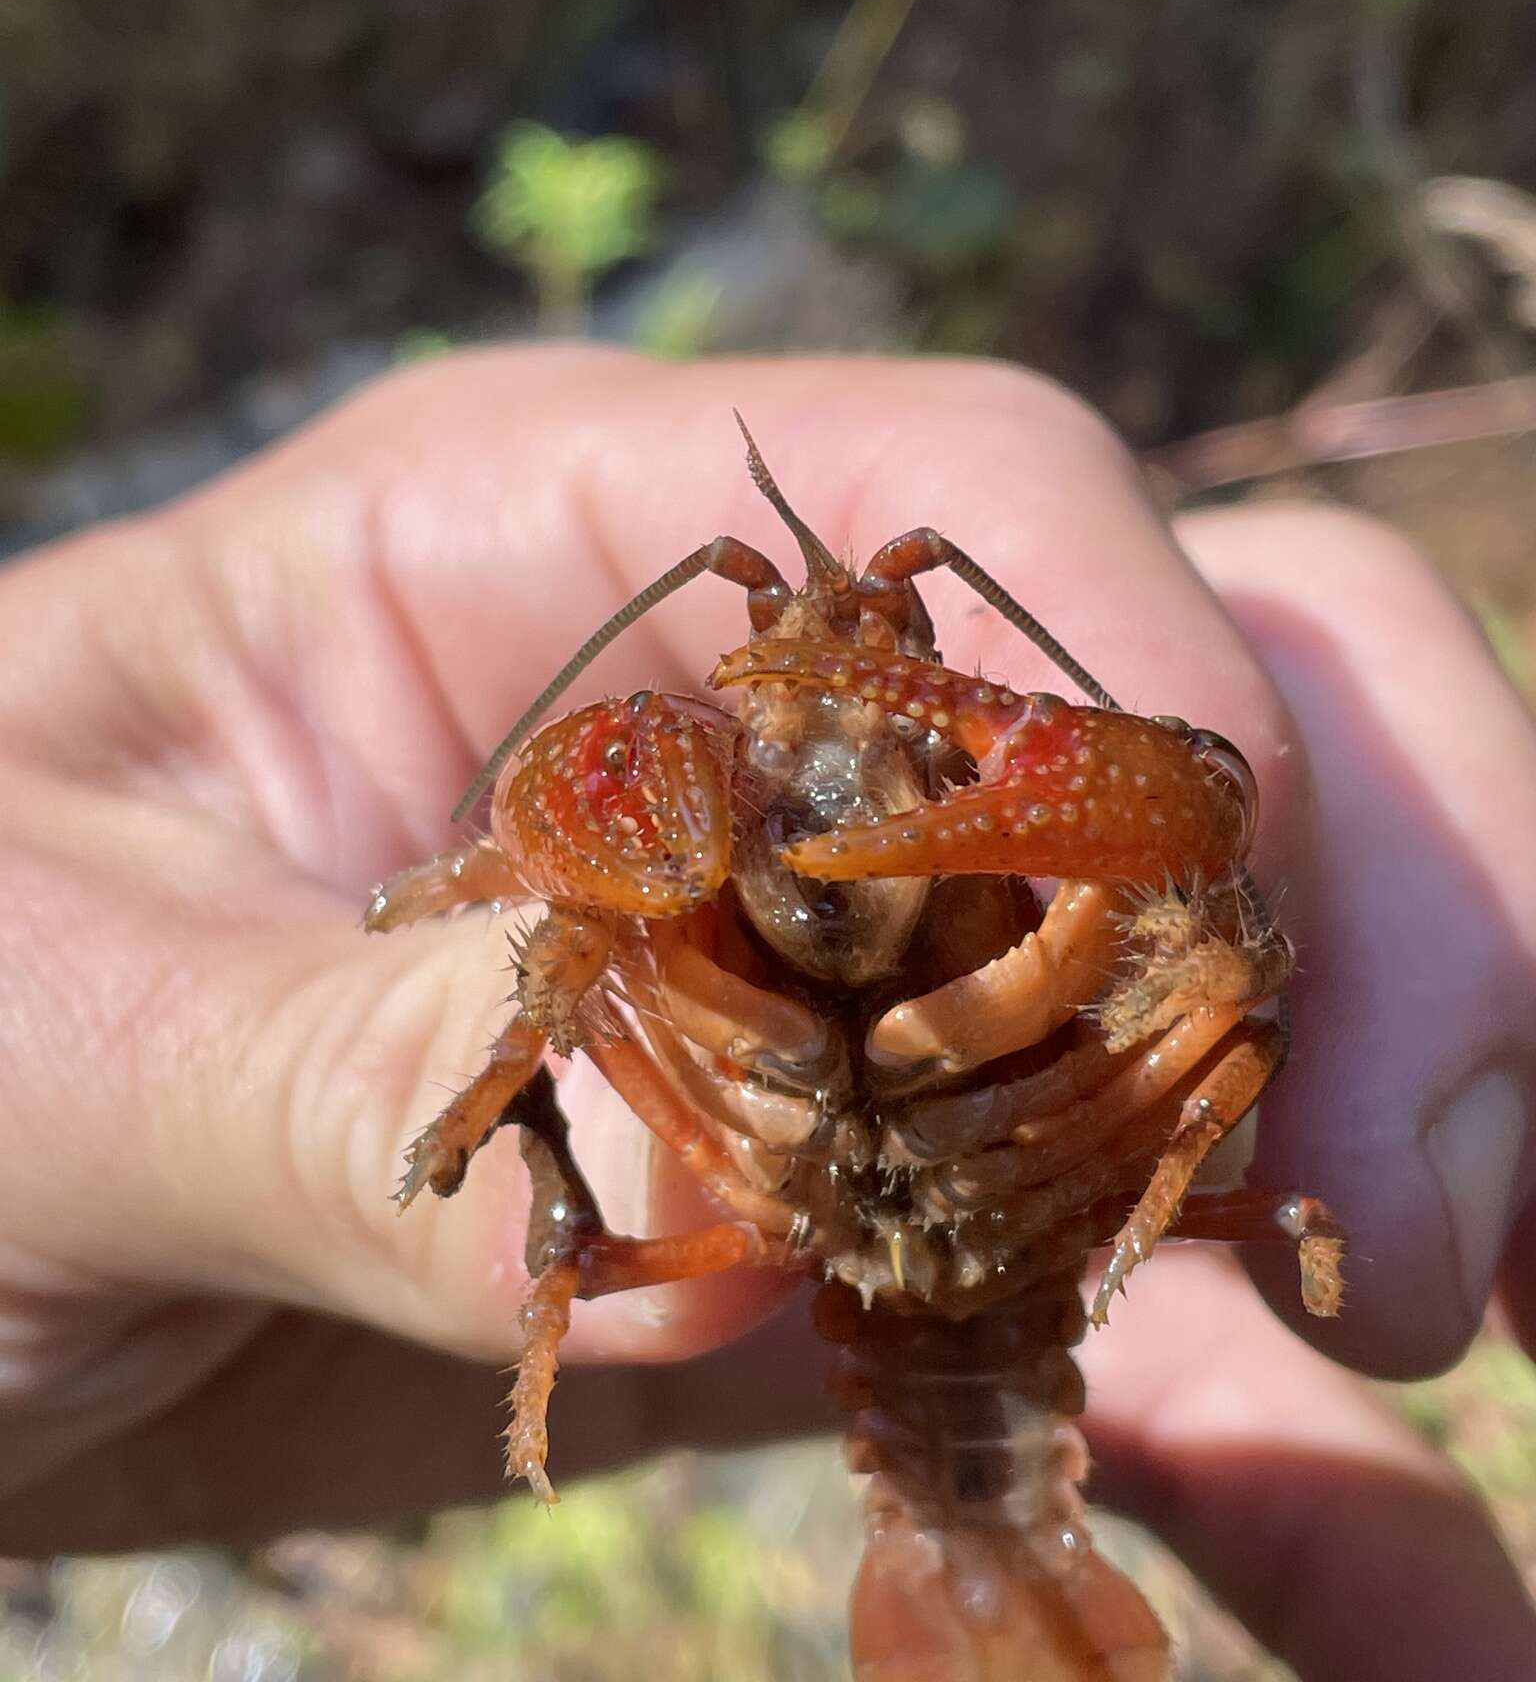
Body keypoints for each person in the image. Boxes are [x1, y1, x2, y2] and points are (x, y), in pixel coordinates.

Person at [3, 346, 1534, 1677]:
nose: (842, 706)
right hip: (820, 1236)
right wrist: (486, 1012)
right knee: (591, 938)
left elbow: (1224, 966)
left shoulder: (1007, 829)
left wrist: (1208, 985)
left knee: (1222, 949)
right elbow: (577, 942)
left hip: (1013, 1272)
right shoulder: (677, 821)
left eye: (904, 675)